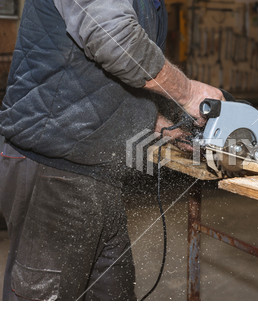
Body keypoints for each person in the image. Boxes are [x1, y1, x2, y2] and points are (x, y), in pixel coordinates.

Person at [0, 0, 223, 300]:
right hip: (54, 167)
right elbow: (115, 39)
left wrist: (169, 129)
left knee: (113, 297)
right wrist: (189, 92)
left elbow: (112, 84)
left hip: (96, 174)